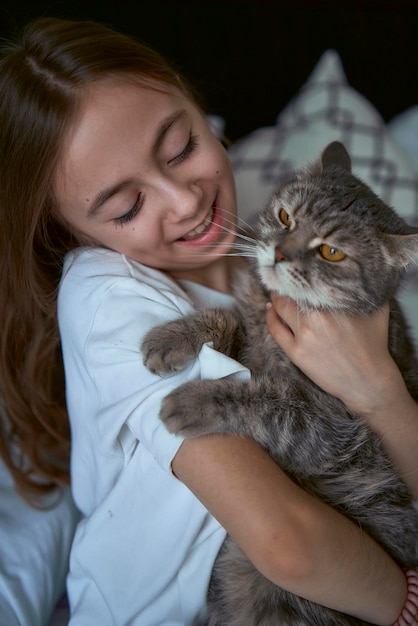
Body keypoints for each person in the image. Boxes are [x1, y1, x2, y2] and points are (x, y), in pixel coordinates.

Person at [0, 16, 418, 626]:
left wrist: (381, 391)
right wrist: (402, 602)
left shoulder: (266, 238)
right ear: (73, 233)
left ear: (194, 102)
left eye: (182, 149)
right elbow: (287, 543)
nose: (186, 201)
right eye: (127, 206)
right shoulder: (103, 295)